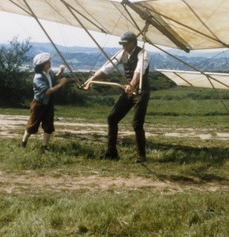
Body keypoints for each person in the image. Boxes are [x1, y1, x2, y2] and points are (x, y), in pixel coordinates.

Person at [84, 31, 150, 163]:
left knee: (137, 124)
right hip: (128, 90)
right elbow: (106, 68)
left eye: (125, 44)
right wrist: (90, 81)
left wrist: (132, 85)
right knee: (112, 118)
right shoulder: (122, 53)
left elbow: (138, 71)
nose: (123, 46)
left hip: (140, 91)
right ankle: (111, 152)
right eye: (121, 44)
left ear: (133, 42)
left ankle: (141, 155)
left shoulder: (143, 54)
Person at [21, 52, 69, 152]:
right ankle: (23, 143)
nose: (49, 63)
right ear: (42, 65)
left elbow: (53, 78)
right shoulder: (38, 77)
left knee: (48, 125)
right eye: (47, 62)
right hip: (39, 104)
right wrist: (61, 84)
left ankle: (44, 147)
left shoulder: (49, 72)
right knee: (33, 125)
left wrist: (60, 71)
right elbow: (47, 91)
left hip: (48, 103)